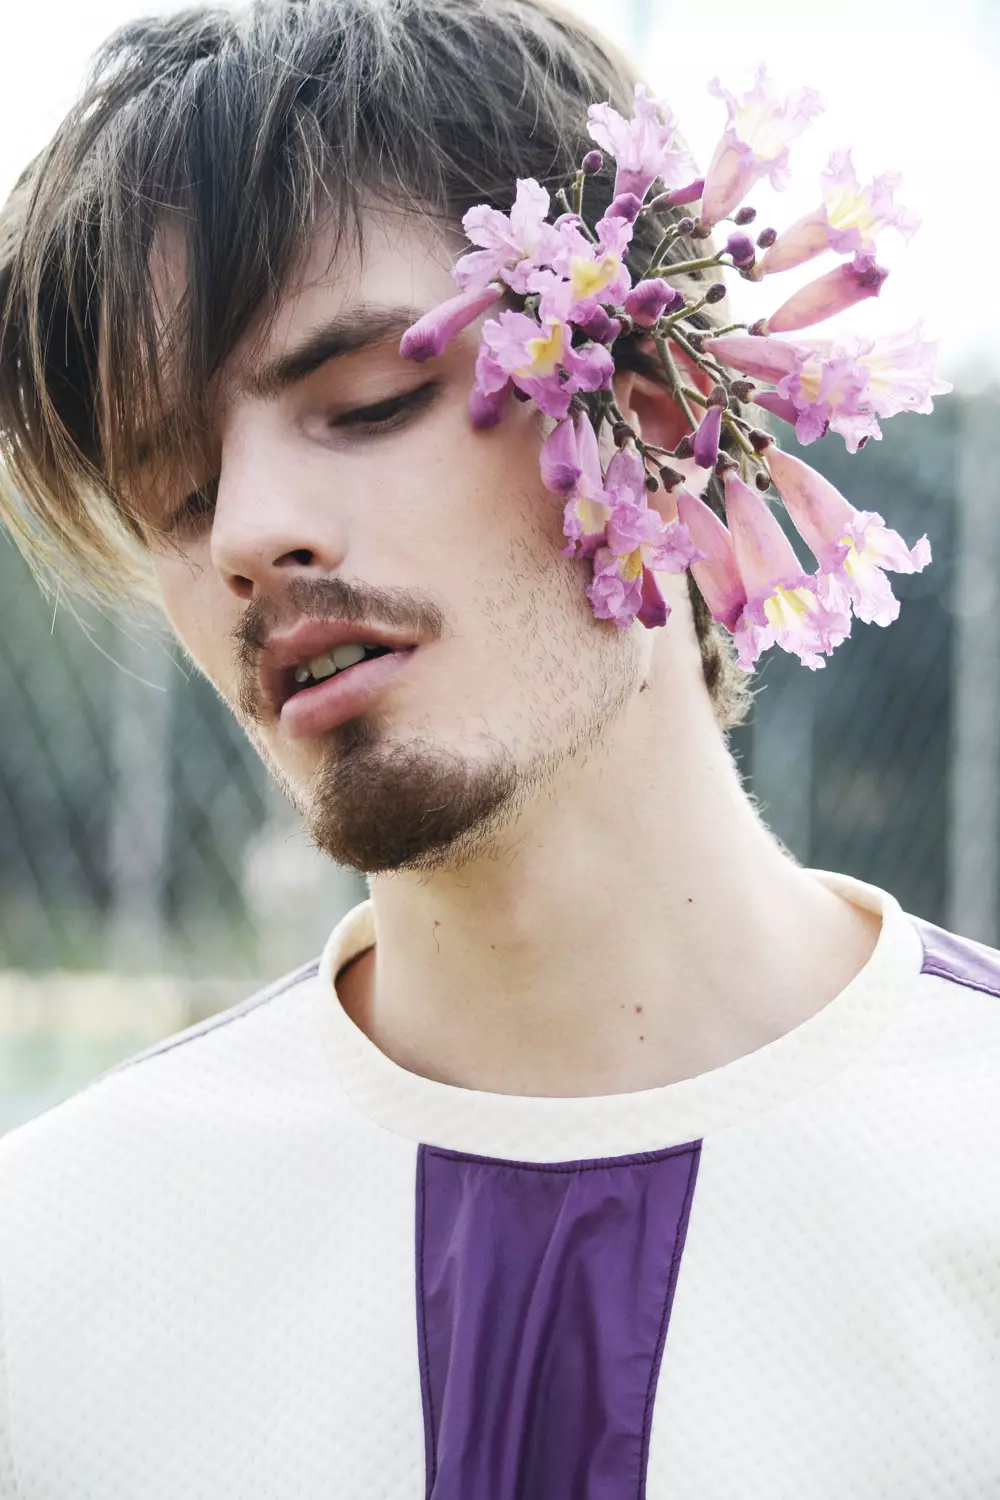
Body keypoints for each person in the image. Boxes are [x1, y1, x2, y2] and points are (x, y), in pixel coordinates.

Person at [0, 1, 995, 1495]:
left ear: (652, 394)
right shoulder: (56, 1265)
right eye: (178, 498)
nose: (253, 537)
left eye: (369, 399)